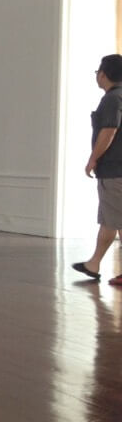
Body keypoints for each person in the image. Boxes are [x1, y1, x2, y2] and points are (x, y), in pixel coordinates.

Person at [73, 54, 122, 283]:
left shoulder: (112, 99)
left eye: (97, 72)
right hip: (114, 170)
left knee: (114, 219)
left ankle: (94, 263)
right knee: (110, 220)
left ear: (103, 74)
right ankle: (93, 264)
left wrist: (93, 159)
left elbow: (109, 131)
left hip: (114, 170)